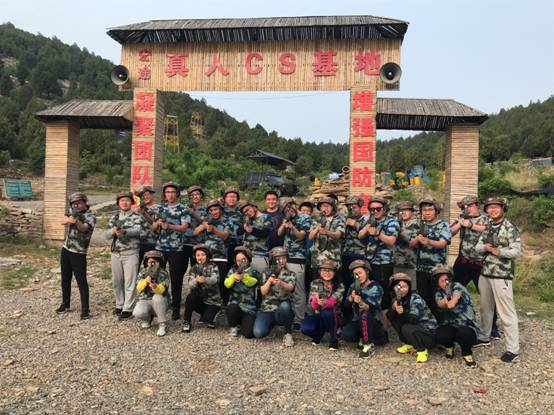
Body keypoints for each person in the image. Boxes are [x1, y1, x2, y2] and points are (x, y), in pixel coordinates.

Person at [474, 196, 522, 363]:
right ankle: (484, 337)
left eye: (496, 207)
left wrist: (500, 252)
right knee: (485, 308)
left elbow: (516, 251)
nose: (493, 210)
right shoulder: (488, 226)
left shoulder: (510, 228)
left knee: (506, 312)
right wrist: (485, 247)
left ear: (503, 209)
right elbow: (477, 247)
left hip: (502, 274)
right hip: (486, 272)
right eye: (490, 207)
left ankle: (513, 349)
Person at [450, 195, 501, 339]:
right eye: (463, 207)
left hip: (480, 263)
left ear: (476, 205)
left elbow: (490, 230)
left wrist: (471, 225)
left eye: (469, 206)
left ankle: (492, 327)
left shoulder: (487, 219)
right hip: (463, 261)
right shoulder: (461, 218)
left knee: (487, 296)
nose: (466, 209)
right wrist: (460, 223)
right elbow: (449, 233)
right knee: (454, 290)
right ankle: (456, 320)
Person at [409, 198, 451, 319]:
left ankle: (441, 324)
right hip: (421, 269)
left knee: (438, 299)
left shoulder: (443, 225)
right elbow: (411, 243)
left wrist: (429, 242)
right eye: (424, 210)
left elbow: (443, 243)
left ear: (436, 211)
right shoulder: (419, 225)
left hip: (437, 270)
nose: (427, 212)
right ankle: (427, 323)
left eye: (430, 210)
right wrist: (416, 239)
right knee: (423, 299)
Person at [56, 192, 96, 320]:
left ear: (84, 202)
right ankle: (65, 304)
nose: (76, 205)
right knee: (65, 279)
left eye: (79, 203)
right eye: (73, 203)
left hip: (79, 252)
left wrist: (76, 221)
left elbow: (84, 228)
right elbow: (62, 221)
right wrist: (68, 219)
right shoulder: (71, 211)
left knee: (81, 281)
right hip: (66, 249)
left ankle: (85, 310)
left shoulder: (91, 215)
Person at [153, 181, 190, 320]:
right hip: (160, 248)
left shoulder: (183, 209)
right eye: (168, 192)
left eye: (173, 192)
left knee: (176, 279)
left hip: (176, 248)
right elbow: (153, 228)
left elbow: (184, 228)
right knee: (158, 277)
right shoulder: (160, 209)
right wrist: (157, 224)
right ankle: (160, 305)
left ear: (177, 194)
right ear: (164, 194)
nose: (170, 195)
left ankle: (175, 307)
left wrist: (169, 226)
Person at [106, 191, 145, 320]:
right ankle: (119, 304)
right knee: (117, 281)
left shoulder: (136, 216)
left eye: (127, 200)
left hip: (131, 252)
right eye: (122, 200)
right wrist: (113, 231)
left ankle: (128, 308)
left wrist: (125, 231)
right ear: (118, 203)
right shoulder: (114, 217)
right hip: (116, 253)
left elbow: (139, 231)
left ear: (131, 202)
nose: (125, 202)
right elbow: (106, 235)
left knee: (130, 281)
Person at [358, 196, 399, 312]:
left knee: (384, 292)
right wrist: (367, 228)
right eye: (372, 209)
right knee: (368, 290)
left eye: (378, 209)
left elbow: (391, 241)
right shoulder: (370, 220)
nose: (374, 211)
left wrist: (378, 234)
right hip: (369, 262)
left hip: (383, 264)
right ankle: (369, 315)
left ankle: (384, 318)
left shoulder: (392, 222)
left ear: (385, 209)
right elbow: (360, 236)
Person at [432, 265, 478, 367]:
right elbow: (439, 303)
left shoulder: (458, 286)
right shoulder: (438, 293)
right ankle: (450, 347)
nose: (445, 283)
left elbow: (457, 295)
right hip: (451, 325)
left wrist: (452, 301)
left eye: (447, 280)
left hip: (466, 325)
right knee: (440, 334)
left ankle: (467, 353)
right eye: (441, 281)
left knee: (465, 334)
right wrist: (444, 302)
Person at [387, 273, 438, 363]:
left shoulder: (415, 298)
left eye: (405, 287)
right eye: (399, 287)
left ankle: (422, 350)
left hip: (429, 336)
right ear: (393, 288)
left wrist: (402, 313)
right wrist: (393, 308)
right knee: (394, 318)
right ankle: (409, 344)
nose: (402, 290)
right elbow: (389, 316)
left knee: (406, 327)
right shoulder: (396, 299)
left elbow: (413, 319)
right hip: (416, 330)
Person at [341, 260, 388, 358]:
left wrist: (361, 302)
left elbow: (371, 308)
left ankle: (368, 345)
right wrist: (351, 298)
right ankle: (363, 338)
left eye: (360, 273)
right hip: (358, 321)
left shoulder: (376, 287)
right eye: (355, 274)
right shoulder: (353, 286)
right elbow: (346, 305)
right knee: (346, 334)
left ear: (367, 271)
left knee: (365, 314)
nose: (358, 276)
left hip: (374, 323)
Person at [277, 197, 311, 327]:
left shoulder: (304, 218)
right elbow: (279, 233)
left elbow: (301, 236)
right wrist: (284, 224)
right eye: (285, 208)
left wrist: (292, 227)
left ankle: (299, 319)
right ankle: (287, 317)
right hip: (285, 257)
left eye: (289, 206)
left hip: (298, 258)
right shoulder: (285, 218)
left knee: (298, 290)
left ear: (294, 205)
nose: (288, 210)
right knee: (285, 288)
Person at [253, 247, 296, 346]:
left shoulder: (291, 274)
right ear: (272, 259)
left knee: (285, 306)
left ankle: (288, 333)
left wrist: (281, 283)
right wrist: (269, 281)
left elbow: (291, 287)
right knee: (258, 333)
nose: (281, 261)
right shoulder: (266, 272)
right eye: (278, 258)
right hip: (267, 309)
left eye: (284, 258)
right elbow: (263, 292)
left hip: (282, 309)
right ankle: (271, 326)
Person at [193, 199, 232, 303]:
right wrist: (203, 226)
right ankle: (207, 303)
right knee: (206, 280)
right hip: (207, 258)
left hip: (221, 257)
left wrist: (213, 229)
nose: (214, 212)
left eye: (216, 209)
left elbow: (225, 236)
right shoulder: (207, 220)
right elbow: (195, 232)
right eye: (211, 210)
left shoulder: (227, 221)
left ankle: (223, 304)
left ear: (220, 209)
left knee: (221, 282)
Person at [301, 259, 345, 350]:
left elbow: (333, 301)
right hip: (318, 315)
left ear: (334, 272)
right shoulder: (314, 283)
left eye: (330, 270)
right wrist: (316, 301)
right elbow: (312, 306)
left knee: (327, 312)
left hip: (334, 316)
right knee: (306, 328)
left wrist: (324, 302)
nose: (327, 273)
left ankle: (333, 339)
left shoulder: (340, 285)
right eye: (324, 270)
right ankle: (319, 334)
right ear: (320, 271)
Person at [182, 244, 222, 332]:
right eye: (198, 255)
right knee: (190, 297)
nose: (200, 257)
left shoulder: (214, 266)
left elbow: (215, 280)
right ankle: (187, 321)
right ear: (195, 257)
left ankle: (214, 314)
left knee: (208, 319)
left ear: (207, 255)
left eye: (203, 255)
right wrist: (196, 280)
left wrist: (205, 279)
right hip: (201, 300)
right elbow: (190, 284)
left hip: (213, 301)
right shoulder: (193, 269)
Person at [224, 246, 259, 338]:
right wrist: (233, 277)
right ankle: (233, 326)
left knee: (248, 334)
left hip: (249, 307)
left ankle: (241, 324)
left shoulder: (254, 271)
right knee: (232, 308)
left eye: (243, 259)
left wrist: (244, 277)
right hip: (235, 305)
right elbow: (226, 284)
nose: (241, 262)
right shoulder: (232, 270)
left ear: (248, 259)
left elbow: (254, 282)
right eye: (238, 260)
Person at [308, 197, 346, 281]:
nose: (325, 208)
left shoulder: (339, 219)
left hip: (333, 259)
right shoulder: (316, 220)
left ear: (333, 207)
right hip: (317, 260)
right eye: (323, 206)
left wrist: (327, 232)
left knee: (335, 284)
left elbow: (338, 235)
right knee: (317, 284)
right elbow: (310, 237)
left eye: (328, 206)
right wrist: (317, 229)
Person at [133, 250, 169, 336]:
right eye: (150, 262)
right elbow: (138, 288)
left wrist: (155, 287)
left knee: (158, 297)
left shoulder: (163, 273)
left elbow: (162, 290)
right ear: (147, 263)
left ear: (160, 262)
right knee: (137, 312)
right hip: (146, 300)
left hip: (160, 302)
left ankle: (162, 324)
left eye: (155, 262)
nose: (153, 264)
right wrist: (146, 280)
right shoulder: (143, 272)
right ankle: (148, 319)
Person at [238, 199, 273, 273]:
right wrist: (244, 228)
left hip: (260, 256)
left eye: (248, 209)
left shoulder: (266, 217)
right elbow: (238, 232)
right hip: (246, 256)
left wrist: (252, 230)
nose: (247, 213)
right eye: (245, 212)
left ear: (254, 207)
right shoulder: (246, 219)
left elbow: (265, 233)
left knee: (261, 278)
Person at [134, 186, 160, 267]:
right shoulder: (136, 210)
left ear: (152, 194)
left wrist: (144, 213)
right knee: (134, 268)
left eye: (147, 194)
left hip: (152, 243)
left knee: (150, 268)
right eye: (142, 196)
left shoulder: (159, 208)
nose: (145, 197)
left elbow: (155, 227)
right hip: (137, 243)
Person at [183, 185, 207, 269]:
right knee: (181, 268)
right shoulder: (184, 208)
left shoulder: (206, 210)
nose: (195, 196)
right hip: (185, 243)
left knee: (198, 268)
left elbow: (205, 223)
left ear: (201, 195)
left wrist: (193, 213)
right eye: (192, 195)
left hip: (199, 244)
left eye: (197, 194)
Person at [393, 200, 419, 279]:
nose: (403, 213)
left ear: (412, 212)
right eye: (401, 211)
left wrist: (401, 233)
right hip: (395, 262)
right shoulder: (394, 224)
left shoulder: (417, 225)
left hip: (411, 263)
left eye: (406, 210)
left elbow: (414, 242)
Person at [223, 187, 244, 264]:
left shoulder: (242, 212)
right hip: (223, 246)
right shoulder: (220, 211)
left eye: (234, 197)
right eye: (229, 196)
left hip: (238, 245)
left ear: (237, 199)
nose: (232, 199)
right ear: (225, 198)